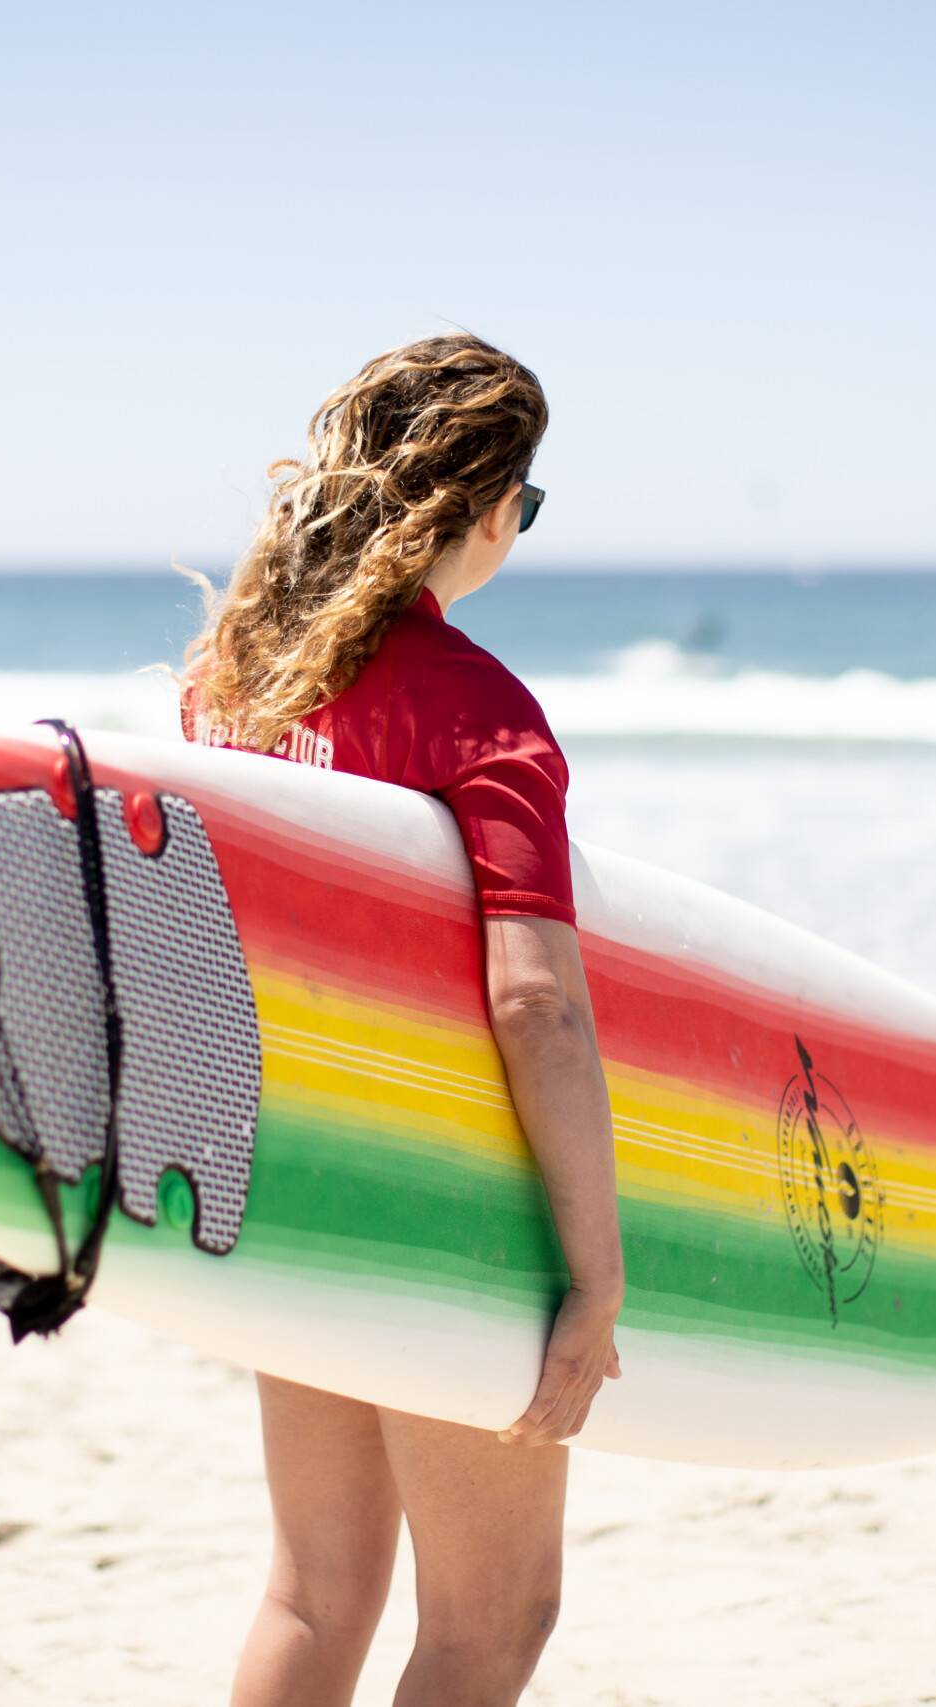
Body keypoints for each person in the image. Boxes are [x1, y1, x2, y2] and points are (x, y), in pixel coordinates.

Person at [179, 333, 624, 1707]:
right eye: (527, 507)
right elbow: (535, 1004)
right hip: (441, 1209)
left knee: (315, 1592)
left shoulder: (231, 687)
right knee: (493, 1622)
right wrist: (596, 1278)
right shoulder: (477, 711)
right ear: (484, 507)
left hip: (282, 1179)